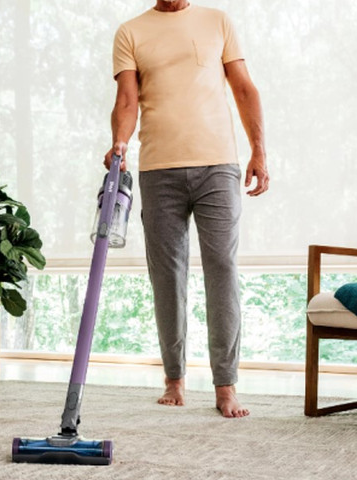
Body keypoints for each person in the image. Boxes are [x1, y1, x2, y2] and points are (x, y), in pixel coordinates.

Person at [104, 0, 269, 418]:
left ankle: (225, 385)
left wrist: (259, 153)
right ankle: (174, 379)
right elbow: (127, 99)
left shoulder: (218, 21)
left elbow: (244, 88)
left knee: (222, 271)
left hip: (218, 165)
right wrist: (120, 143)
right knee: (167, 276)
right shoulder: (131, 31)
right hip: (159, 170)